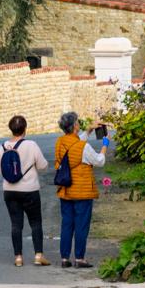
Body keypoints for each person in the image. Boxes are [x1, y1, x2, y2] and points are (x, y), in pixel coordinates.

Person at [52, 111, 107, 268]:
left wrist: (89, 130)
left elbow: (74, 145)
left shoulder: (60, 142)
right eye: (77, 122)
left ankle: (64, 257)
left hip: (66, 190)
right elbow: (99, 161)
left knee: (67, 223)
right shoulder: (84, 147)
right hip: (82, 192)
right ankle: (80, 258)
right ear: (75, 126)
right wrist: (105, 146)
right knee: (81, 224)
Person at [0, 115, 49, 267]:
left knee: (16, 224)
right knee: (35, 222)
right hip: (29, 190)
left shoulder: (3, 146)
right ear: (25, 129)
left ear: (11, 129)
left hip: (9, 191)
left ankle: (18, 257)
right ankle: (38, 255)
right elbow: (43, 166)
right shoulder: (31, 145)